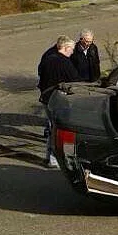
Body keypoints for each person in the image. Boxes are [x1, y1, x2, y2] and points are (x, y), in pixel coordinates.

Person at [37, 36, 80, 168]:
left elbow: (40, 73)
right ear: (66, 48)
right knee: (64, 130)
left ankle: (50, 157)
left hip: (46, 98)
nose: (72, 52)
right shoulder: (65, 63)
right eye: (71, 49)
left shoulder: (48, 57)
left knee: (51, 128)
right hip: (60, 101)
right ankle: (61, 158)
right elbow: (74, 81)